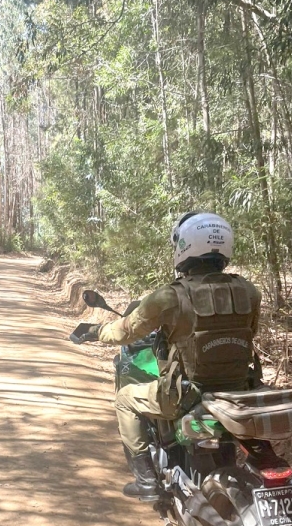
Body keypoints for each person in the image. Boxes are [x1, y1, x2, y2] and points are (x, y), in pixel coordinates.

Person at [88, 212, 261, 500]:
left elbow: (123, 332)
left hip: (186, 396)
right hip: (239, 392)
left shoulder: (171, 296)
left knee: (124, 399)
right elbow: (251, 332)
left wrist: (97, 330)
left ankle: (146, 481)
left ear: (184, 247)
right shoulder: (249, 291)